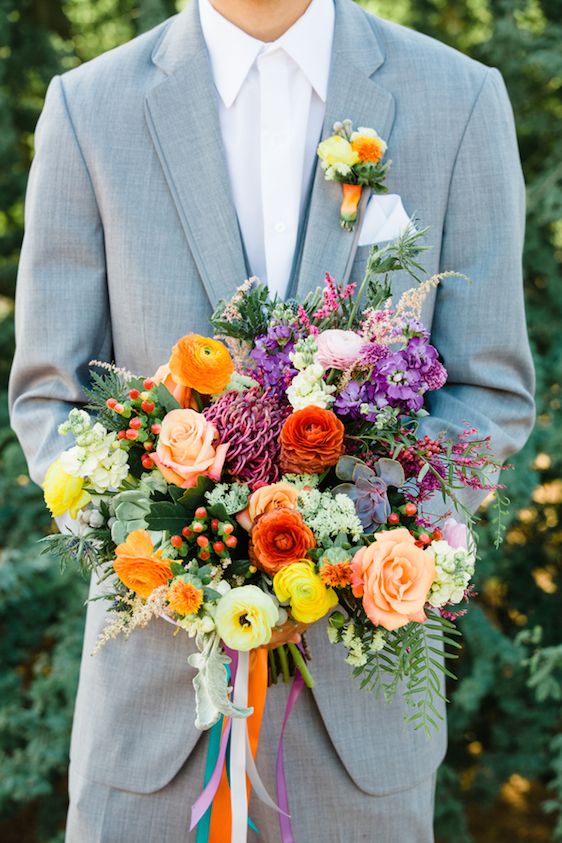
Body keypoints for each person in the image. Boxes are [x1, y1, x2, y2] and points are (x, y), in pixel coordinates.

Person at [9, 0, 535, 840]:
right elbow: (50, 393)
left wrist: (361, 548)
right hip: (149, 730)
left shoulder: (458, 99)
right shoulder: (89, 108)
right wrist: (167, 543)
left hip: (361, 746)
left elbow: (491, 387)